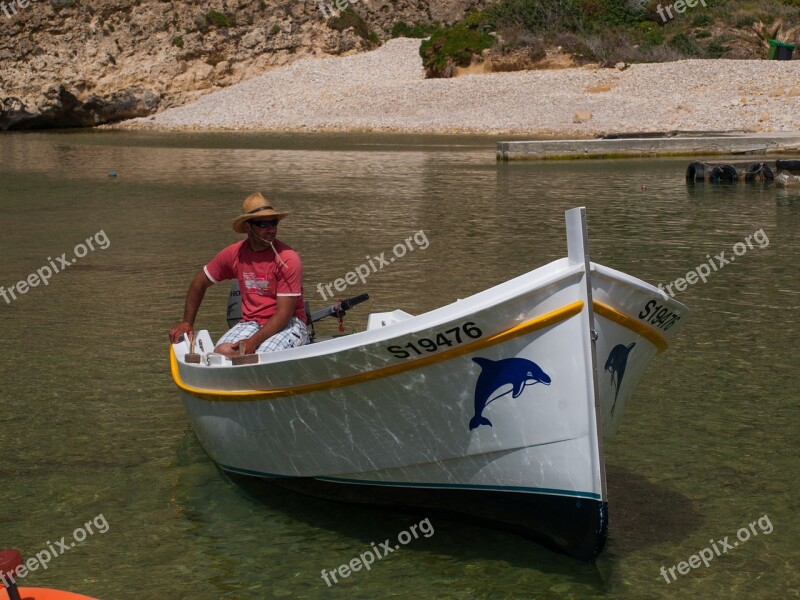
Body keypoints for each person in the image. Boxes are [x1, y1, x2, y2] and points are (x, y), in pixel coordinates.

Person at [168, 193, 308, 358]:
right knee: (220, 354)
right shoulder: (234, 254)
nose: (270, 229)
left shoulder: (288, 259)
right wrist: (187, 322)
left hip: (290, 323)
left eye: (274, 222)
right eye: (263, 224)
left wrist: (253, 342)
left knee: (260, 356)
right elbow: (199, 282)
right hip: (252, 322)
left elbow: (284, 314)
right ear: (248, 227)